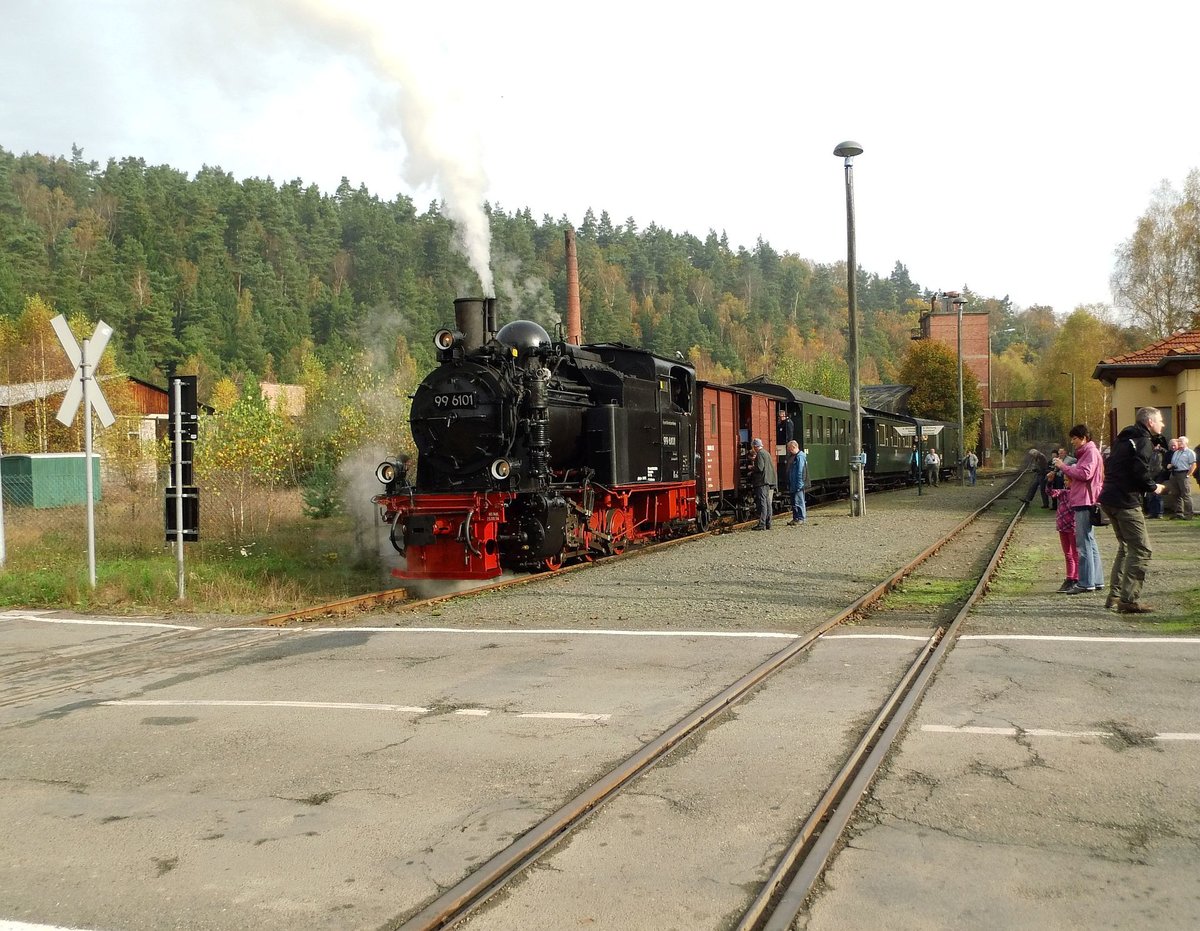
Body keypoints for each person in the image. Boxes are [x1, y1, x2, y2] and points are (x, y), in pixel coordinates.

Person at [1098, 406, 1167, 614]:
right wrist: (1154, 487)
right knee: (1142, 550)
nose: (1163, 424)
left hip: (1109, 497)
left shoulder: (1123, 438)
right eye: (1160, 420)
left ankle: (1115, 595)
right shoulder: (1143, 440)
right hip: (1125, 501)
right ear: (1150, 422)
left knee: (1126, 547)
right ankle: (1128, 600)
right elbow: (1140, 470)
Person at [1053, 425, 1104, 595]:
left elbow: (1084, 474)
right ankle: (1096, 580)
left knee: (1083, 544)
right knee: (1090, 542)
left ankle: (1085, 582)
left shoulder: (1090, 452)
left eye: (1075, 438)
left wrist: (1064, 467)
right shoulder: (1089, 452)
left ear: (1084, 438)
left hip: (1084, 500)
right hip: (1086, 499)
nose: (1072, 441)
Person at [1049, 476, 1079, 593]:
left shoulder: (1077, 494)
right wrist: (1049, 482)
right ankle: (1069, 577)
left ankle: (1076, 578)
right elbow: (1051, 492)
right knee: (1068, 554)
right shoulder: (1063, 493)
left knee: (1075, 553)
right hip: (1062, 528)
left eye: (1068, 480)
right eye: (1065, 480)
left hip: (1072, 528)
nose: (1066, 483)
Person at [1165, 435, 1196, 519]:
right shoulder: (1176, 452)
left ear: (1186, 442)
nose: (1179, 443)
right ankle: (1178, 513)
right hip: (1174, 473)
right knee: (1175, 494)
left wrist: (1188, 474)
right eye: (1178, 441)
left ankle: (1188, 514)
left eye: (1180, 441)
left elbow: (1193, 465)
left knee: (1186, 494)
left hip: (1183, 474)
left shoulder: (1190, 452)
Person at [749, 437, 776, 530]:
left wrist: (751, 468)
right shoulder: (766, 453)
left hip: (761, 481)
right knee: (768, 503)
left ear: (755, 446)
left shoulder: (760, 454)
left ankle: (762, 524)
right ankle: (768, 523)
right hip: (767, 481)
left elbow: (760, 468)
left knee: (762, 503)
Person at [1144, 434, 1170, 519]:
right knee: (1150, 494)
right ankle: (1152, 512)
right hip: (1150, 474)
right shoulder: (1149, 452)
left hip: (1159, 474)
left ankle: (1159, 513)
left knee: (1158, 494)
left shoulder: (1162, 452)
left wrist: (1161, 449)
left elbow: (1167, 454)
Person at [785, 439, 807, 525]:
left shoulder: (800, 456)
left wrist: (799, 484)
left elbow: (800, 471)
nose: (789, 450)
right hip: (792, 482)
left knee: (799, 501)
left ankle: (801, 518)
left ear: (793, 447)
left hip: (797, 483)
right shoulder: (793, 456)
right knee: (794, 502)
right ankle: (796, 518)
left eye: (789, 449)